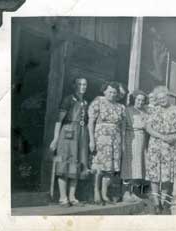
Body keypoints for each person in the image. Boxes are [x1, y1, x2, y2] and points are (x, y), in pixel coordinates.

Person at [145, 86, 176, 213]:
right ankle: (156, 203)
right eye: (159, 98)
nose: (162, 100)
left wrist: (174, 137)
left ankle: (164, 202)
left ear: (168, 97)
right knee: (155, 174)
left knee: (168, 175)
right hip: (156, 144)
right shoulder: (153, 111)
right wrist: (161, 136)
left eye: (164, 97)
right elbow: (148, 128)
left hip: (172, 145)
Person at [49, 77, 90, 206]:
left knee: (77, 163)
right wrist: (55, 139)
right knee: (65, 163)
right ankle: (63, 197)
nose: (82, 87)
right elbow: (58, 120)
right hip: (67, 133)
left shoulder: (85, 102)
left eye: (84, 84)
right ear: (74, 85)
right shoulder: (68, 100)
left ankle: (72, 197)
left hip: (81, 134)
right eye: (79, 84)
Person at [88, 82, 126, 205]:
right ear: (104, 91)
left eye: (114, 92)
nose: (112, 94)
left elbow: (122, 127)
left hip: (115, 140)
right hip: (101, 139)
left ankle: (104, 194)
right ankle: (96, 192)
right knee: (99, 167)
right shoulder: (98, 101)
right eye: (110, 92)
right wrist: (91, 140)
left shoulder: (120, 107)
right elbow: (90, 122)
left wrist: (123, 143)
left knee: (109, 169)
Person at [121, 90, 147, 202]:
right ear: (134, 99)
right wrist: (122, 141)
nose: (140, 102)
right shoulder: (127, 110)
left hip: (141, 138)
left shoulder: (145, 112)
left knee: (138, 166)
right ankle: (126, 193)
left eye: (142, 100)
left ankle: (134, 192)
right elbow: (122, 127)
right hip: (129, 137)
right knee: (128, 165)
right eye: (138, 100)